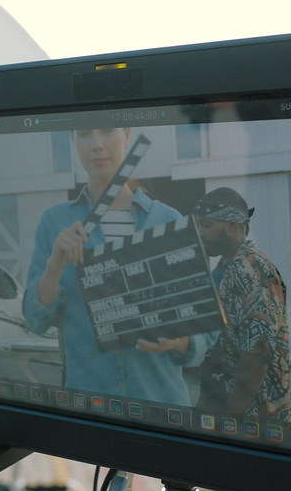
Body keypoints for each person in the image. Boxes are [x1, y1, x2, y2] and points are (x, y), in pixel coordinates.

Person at [23, 128, 217, 405]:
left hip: (162, 409)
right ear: (73, 140)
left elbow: (207, 332)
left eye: (106, 131)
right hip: (90, 411)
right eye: (84, 134)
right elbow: (35, 320)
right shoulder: (54, 223)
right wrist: (54, 268)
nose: (97, 144)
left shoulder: (169, 221)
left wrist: (179, 341)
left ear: (126, 135)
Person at [194, 188, 291, 422]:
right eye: (198, 225)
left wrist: (228, 418)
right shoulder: (226, 266)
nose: (200, 233)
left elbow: (256, 359)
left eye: (206, 225)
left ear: (232, 225)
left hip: (251, 420)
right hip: (218, 406)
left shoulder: (254, 269)